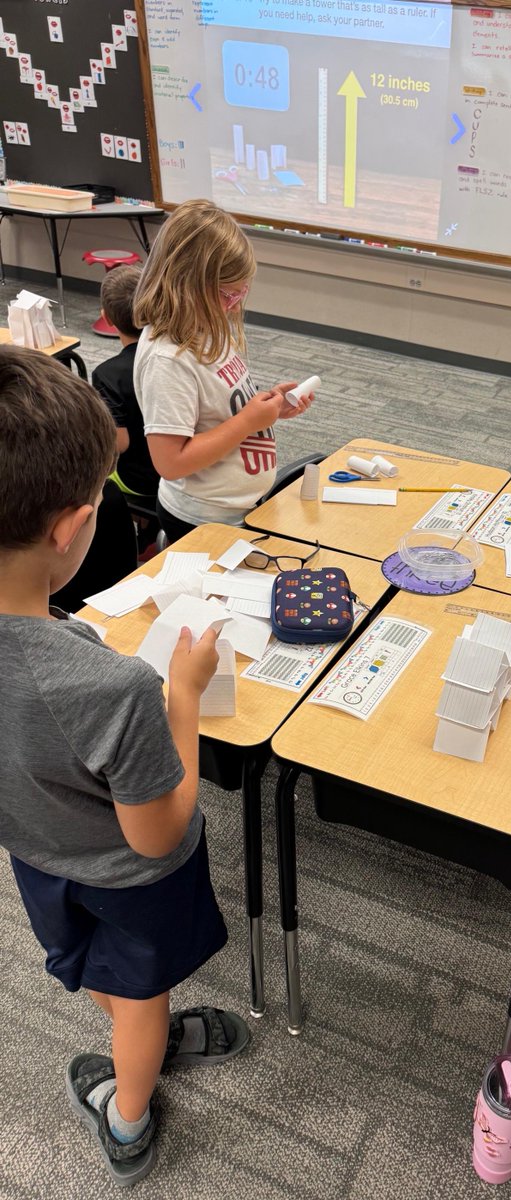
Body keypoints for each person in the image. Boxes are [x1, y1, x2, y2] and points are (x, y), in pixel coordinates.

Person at [0, 346, 250, 1184]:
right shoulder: (116, 690)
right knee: (140, 999)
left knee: (108, 977)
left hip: (37, 860)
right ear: (71, 527)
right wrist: (183, 698)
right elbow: (158, 833)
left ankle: (134, 1032)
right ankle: (129, 1109)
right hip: (127, 880)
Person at [133, 198, 314, 544]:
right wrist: (248, 421)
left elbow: (222, 408)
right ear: (185, 285)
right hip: (203, 517)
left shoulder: (207, 324)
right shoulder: (167, 360)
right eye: (227, 295)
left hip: (238, 506)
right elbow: (171, 462)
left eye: (240, 294)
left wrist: (272, 406)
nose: (234, 305)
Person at [92, 264, 159, 508]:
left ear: (107, 318)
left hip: (139, 481)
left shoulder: (106, 374)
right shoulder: (175, 356)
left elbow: (119, 444)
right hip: (187, 474)